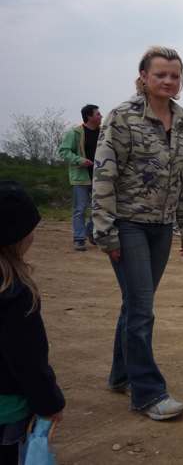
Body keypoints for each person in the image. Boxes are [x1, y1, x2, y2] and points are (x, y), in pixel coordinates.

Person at [92, 46, 183, 421]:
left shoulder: (182, 121)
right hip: (128, 224)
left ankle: (121, 375)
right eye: (160, 74)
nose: (168, 81)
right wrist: (105, 230)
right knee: (141, 308)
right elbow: (104, 174)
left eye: (175, 75)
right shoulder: (122, 117)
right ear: (143, 77)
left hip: (162, 226)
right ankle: (148, 393)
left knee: (136, 303)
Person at [0, 181, 65, 463]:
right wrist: (49, 403)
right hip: (7, 411)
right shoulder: (15, 294)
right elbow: (28, 359)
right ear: (20, 237)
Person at [58, 103, 103, 251]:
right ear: (89, 116)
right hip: (81, 177)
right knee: (80, 209)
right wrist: (79, 160)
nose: (101, 116)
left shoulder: (104, 133)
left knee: (100, 208)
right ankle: (79, 239)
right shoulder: (74, 133)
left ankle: (90, 231)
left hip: (100, 177)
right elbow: (64, 151)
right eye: (98, 114)